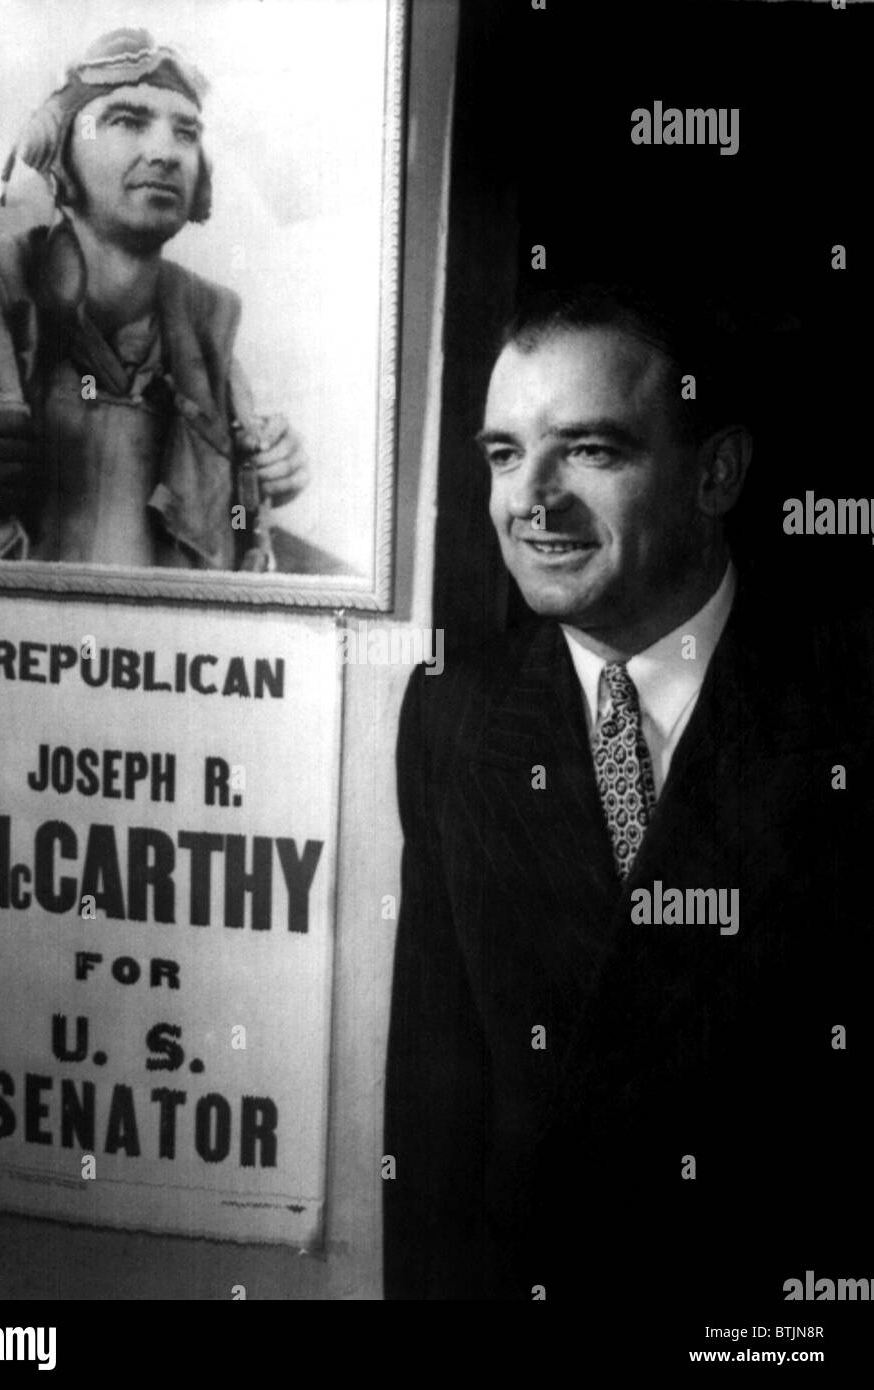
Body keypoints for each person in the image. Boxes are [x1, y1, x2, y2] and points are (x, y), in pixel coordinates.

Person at [383, 284, 874, 1302]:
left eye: (593, 451)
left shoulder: (847, 710)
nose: (533, 499)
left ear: (718, 473)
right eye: (505, 453)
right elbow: (438, 1109)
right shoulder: (452, 711)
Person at [0, 27, 340, 572]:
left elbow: (234, 546)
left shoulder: (208, 355)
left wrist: (261, 484)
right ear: (57, 151)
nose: (165, 152)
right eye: (127, 121)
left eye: (185, 133)